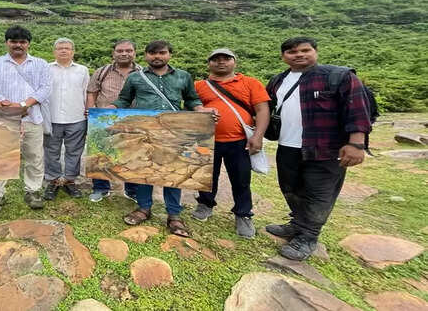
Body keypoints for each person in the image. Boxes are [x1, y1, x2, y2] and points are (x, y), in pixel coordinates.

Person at [265, 37, 372, 260]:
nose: (299, 55)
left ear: (315, 51)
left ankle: (308, 236)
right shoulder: (277, 80)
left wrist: (356, 143)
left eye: (305, 50)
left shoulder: (338, 76)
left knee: (319, 193)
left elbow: (358, 110)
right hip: (288, 146)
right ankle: (297, 224)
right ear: (283, 56)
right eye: (292, 52)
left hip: (326, 148)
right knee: (290, 187)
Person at [108, 40, 218, 237]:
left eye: (161, 52)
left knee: (173, 172)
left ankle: (174, 215)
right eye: (152, 53)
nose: (157, 56)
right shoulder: (135, 77)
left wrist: (201, 110)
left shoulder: (183, 76)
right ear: (146, 56)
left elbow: (192, 100)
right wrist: (109, 109)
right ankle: (143, 208)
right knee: (144, 169)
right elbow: (124, 99)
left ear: (169, 54)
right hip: (146, 131)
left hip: (174, 131)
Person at [192, 48, 270, 238]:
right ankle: (205, 204)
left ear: (234, 61)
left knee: (241, 178)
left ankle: (243, 214)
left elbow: (262, 110)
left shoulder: (250, 83)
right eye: (216, 59)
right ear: (208, 63)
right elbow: (191, 107)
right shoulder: (199, 85)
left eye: (226, 58)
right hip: (205, 139)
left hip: (239, 140)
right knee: (206, 176)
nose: (221, 62)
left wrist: (258, 136)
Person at [0, 25, 51, 212]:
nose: (18, 45)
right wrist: (6, 104)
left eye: (22, 42)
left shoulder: (40, 64)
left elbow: (45, 88)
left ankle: (33, 191)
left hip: (32, 118)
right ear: (6, 43)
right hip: (3, 119)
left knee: (34, 157)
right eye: (13, 41)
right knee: (1, 157)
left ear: (28, 44)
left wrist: (23, 105)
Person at [85, 39, 141, 202]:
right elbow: (92, 92)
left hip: (133, 119)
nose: (124, 54)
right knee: (100, 154)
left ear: (135, 53)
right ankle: (101, 188)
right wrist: (91, 110)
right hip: (104, 119)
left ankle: (132, 190)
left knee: (132, 155)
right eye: (120, 51)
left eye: (128, 51)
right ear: (113, 53)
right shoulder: (102, 72)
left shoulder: (143, 73)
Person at [43, 38, 89, 200]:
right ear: (54, 51)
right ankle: (53, 180)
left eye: (67, 48)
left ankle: (70, 180)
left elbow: (86, 92)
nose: (63, 50)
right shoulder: (46, 69)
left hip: (76, 117)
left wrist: (88, 111)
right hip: (51, 117)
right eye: (60, 48)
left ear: (73, 52)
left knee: (74, 151)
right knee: (51, 151)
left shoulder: (82, 70)